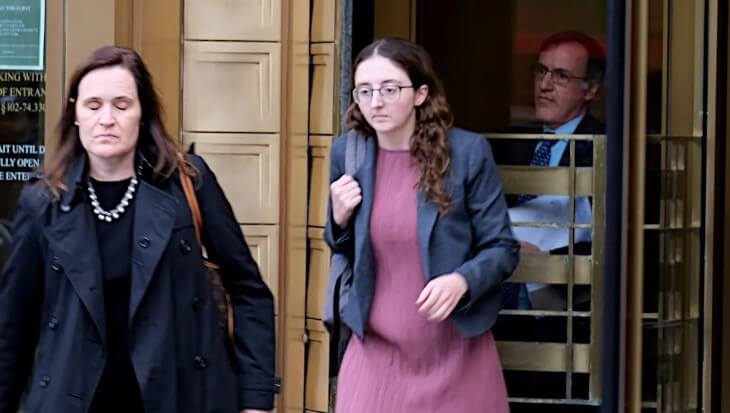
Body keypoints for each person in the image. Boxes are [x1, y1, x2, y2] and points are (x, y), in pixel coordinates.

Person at [0, 46, 278, 413]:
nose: (107, 119)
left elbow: (248, 289)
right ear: (76, 113)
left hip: (178, 394)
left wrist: (256, 398)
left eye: (122, 104)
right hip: (75, 397)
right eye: (93, 105)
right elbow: (12, 325)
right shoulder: (44, 201)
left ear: (142, 112)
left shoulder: (188, 183)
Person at [325, 38, 519, 412]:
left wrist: (463, 280)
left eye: (389, 89)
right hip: (375, 354)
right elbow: (345, 248)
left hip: (456, 355)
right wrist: (338, 218)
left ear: (420, 93)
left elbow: (503, 248)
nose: (375, 102)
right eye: (364, 91)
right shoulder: (347, 153)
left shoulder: (466, 153)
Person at [495, 31, 606, 312]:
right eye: (541, 71)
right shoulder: (505, 144)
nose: (544, 85)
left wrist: (547, 265)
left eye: (561, 76)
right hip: (492, 301)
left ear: (590, 90)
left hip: (560, 316)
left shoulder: (606, 150)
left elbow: (618, 246)